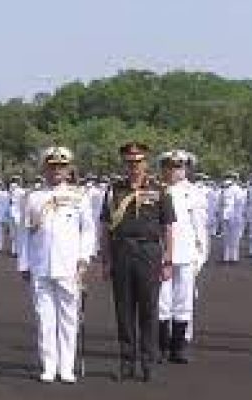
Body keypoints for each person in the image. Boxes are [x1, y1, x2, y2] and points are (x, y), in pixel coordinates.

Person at [99, 141, 175, 382]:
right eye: (130, 162)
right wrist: (106, 259)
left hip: (149, 251)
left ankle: (148, 362)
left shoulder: (160, 189)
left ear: (146, 163)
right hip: (121, 251)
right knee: (124, 309)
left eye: (138, 162)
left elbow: (168, 227)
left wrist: (168, 260)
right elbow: (105, 228)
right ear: (124, 163)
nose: (134, 166)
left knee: (149, 309)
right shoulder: (113, 190)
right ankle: (127, 361)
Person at [18, 147, 93, 384]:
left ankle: (66, 367)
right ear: (44, 169)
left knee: (68, 318)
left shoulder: (79, 196)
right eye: (52, 167)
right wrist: (24, 264)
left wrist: (84, 259)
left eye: (62, 167)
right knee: (45, 319)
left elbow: (88, 231)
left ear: (69, 169)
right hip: (40, 265)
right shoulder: (33, 197)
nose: (57, 171)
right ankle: (49, 366)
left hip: (69, 266)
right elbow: (24, 233)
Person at [156, 150, 207, 365]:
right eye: (170, 166)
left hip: (186, 253)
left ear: (186, 169)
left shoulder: (195, 193)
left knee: (183, 301)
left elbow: (200, 227)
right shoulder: (156, 190)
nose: (175, 171)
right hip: (161, 253)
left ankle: (179, 347)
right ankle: (160, 346)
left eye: (179, 167)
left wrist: (200, 256)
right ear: (163, 168)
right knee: (161, 301)